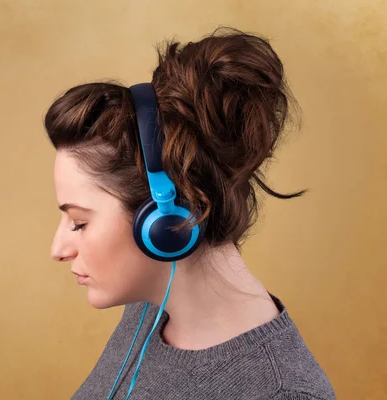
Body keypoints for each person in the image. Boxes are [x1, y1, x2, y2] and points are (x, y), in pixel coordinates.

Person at [45, 27, 336, 400]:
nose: (58, 249)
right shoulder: (147, 310)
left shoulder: (279, 393)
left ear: (164, 225)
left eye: (79, 222)